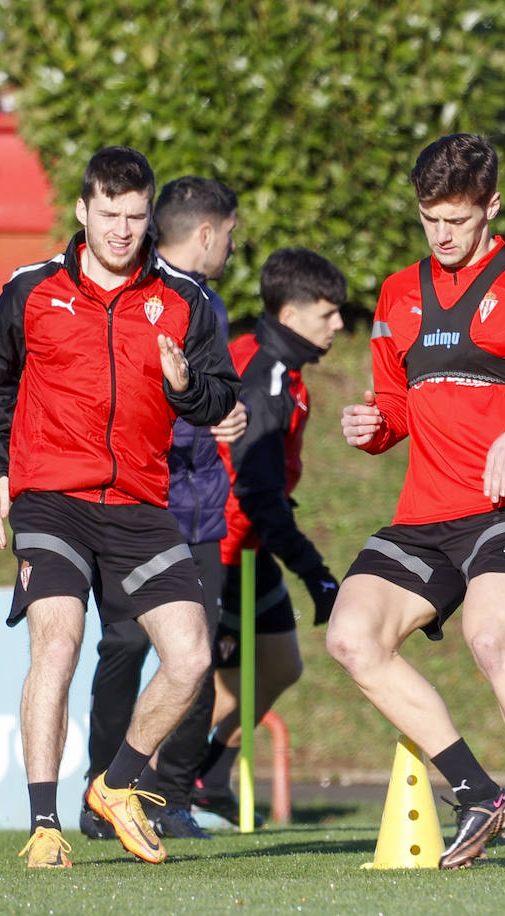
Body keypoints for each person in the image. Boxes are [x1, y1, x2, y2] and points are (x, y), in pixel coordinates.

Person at [326, 133, 505, 869]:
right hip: (427, 512)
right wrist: (373, 426)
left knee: (491, 638)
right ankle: (480, 793)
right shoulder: (398, 294)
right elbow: (395, 404)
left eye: (457, 219)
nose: (443, 234)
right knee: (350, 636)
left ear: (491, 206)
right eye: (431, 219)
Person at [0, 146, 240, 868]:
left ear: (150, 216)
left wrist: (188, 389)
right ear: (83, 211)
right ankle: (42, 826)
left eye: (135, 217)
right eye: (109, 215)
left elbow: (221, 397)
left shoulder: (187, 298)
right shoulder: (32, 291)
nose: (122, 231)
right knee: (56, 641)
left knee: (190, 655)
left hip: (139, 502)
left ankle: (116, 786)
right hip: (52, 497)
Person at [78, 176, 245, 843]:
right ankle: (101, 791)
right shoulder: (137, 295)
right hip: (139, 504)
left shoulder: (208, 304)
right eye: (230, 235)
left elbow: (215, 391)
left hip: (201, 512)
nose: (231, 247)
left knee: (195, 653)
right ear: (207, 233)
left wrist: (228, 413)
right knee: (122, 644)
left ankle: (169, 794)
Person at [194, 247, 346, 813]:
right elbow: (257, 494)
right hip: (224, 548)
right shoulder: (266, 377)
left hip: (251, 546)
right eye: (328, 314)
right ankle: (146, 791)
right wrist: (316, 573)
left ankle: (207, 775)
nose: (338, 325)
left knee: (280, 664)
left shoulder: (276, 364)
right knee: (203, 688)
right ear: (290, 315)